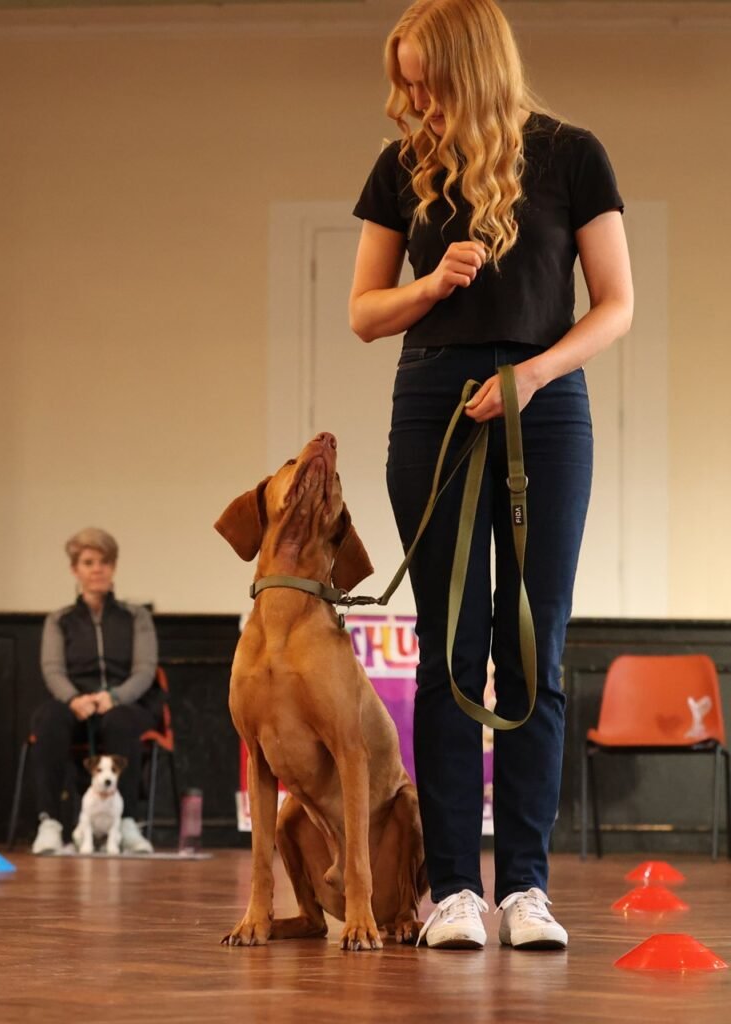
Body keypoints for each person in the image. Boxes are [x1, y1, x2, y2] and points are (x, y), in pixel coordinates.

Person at [349, 0, 633, 950]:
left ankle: (524, 887)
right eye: (405, 79)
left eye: (425, 77)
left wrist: (533, 376)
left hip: (543, 405)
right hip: (431, 404)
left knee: (534, 644)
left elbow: (617, 305)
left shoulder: (573, 153)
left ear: (474, 67)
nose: (411, 97)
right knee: (449, 646)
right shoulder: (402, 170)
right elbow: (363, 312)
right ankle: (450, 892)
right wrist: (431, 286)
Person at [30, 528, 160, 855]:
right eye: (88, 562)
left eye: (104, 562)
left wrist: (113, 697)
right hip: (76, 703)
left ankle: (128, 822)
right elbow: (52, 669)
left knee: (120, 720)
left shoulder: (136, 617)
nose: (97, 569)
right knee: (48, 718)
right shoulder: (59, 620)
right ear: (76, 569)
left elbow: (145, 670)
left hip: (123, 702)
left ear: (113, 567)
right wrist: (74, 699)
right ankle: (50, 823)